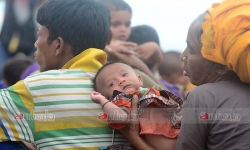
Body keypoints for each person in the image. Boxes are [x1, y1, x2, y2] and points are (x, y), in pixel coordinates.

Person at [0, 0, 121, 149]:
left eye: (39, 36)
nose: (36, 44)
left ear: (58, 45)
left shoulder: (37, 88)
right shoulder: (130, 86)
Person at [176, 0, 250, 149]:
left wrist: (132, 135)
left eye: (191, 50)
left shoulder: (202, 96)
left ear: (221, 68)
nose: (182, 56)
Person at [90, 62, 183, 150]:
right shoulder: (121, 100)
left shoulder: (152, 91)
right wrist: (103, 101)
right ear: (107, 97)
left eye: (124, 75)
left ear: (139, 79)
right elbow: (121, 118)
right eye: (111, 83)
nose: (121, 81)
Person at [102, 0, 164, 88]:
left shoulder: (130, 49)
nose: (123, 29)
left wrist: (155, 48)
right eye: (115, 24)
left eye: (127, 24)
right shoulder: (99, 50)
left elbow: (156, 61)